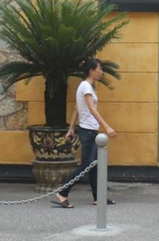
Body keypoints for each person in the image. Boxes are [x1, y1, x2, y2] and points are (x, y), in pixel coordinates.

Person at [52, 58, 116, 209]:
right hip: (88, 131)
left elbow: (76, 109)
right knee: (86, 165)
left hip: (88, 130)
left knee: (93, 165)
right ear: (91, 71)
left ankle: (98, 197)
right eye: (99, 69)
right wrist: (107, 127)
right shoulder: (86, 86)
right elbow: (92, 110)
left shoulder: (86, 86)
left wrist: (71, 128)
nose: (101, 72)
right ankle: (62, 193)